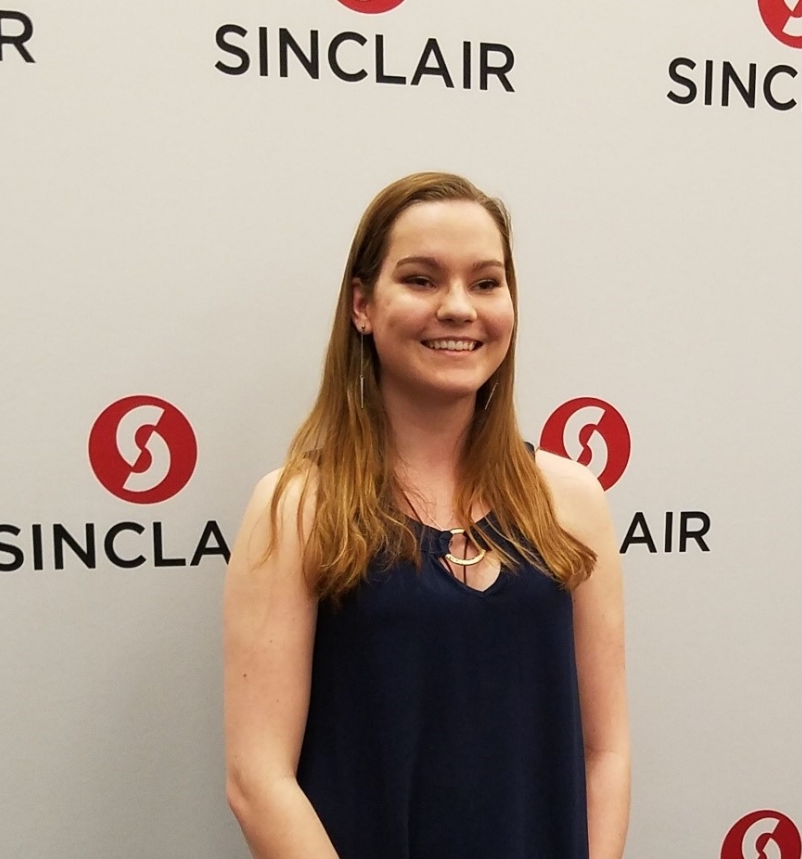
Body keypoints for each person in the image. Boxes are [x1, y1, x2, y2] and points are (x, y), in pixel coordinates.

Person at [223, 172, 630, 859]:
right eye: (420, 279)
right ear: (362, 304)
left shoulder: (574, 500)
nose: (458, 307)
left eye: (485, 282)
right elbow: (257, 780)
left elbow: (605, 750)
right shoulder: (296, 507)